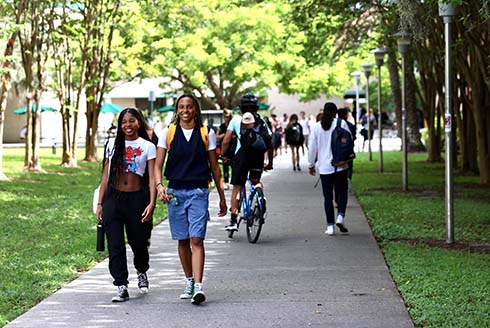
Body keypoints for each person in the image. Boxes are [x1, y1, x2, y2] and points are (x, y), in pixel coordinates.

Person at [154, 94, 227, 305]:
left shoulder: (206, 133)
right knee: (183, 239)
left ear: (196, 109)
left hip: (198, 191)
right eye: (182, 107)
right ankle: (189, 280)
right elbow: (157, 165)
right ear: (177, 110)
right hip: (175, 192)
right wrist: (159, 186)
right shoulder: (168, 132)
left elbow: (214, 167)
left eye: (190, 107)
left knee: (197, 239)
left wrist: (222, 196)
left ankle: (198, 286)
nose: (186, 110)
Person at [96, 107, 156, 302]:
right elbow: (105, 176)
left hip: (137, 199)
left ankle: (142, 270)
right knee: (115, 244)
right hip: (113, 199)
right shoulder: (112, 144)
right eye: (124, 122)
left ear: (139, 122)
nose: (128, 125)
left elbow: (152, 177)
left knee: (138, 242)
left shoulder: (147, 146)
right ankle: (121, 285)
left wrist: (152, 203)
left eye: (131, 121)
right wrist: (100, 203)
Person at [221, 93, 273, 232]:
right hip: (257, 157)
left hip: (242, 157)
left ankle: (233, 220)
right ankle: (260, 199)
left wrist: (223, 155)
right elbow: (269, 142)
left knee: (237, 187)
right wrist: (270, 163)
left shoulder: (237, 119)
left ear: (241, 107)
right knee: (256, 182)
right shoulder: (261, 121)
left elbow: (226, 141)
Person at [308, 102, 351, 236]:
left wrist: (311, 165)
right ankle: (340, 217)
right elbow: (350, 140)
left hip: (325, 168)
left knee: (328, 197)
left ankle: (330, 226)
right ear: (335, 112)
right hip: (341, 165)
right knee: (342, 192)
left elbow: (312, 148)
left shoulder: (316, 127)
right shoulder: (341, 124)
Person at [216, 109, 233, 189]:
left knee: (234, 166)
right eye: (226, 117)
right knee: (225, 166)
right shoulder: (222, 126)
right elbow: (217, 136)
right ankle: (226, 182)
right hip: (224, 149)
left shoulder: (232, 125)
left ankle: (233, 181)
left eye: (228, 117)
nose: (227, 119)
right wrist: (224, 135)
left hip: (232, 148)